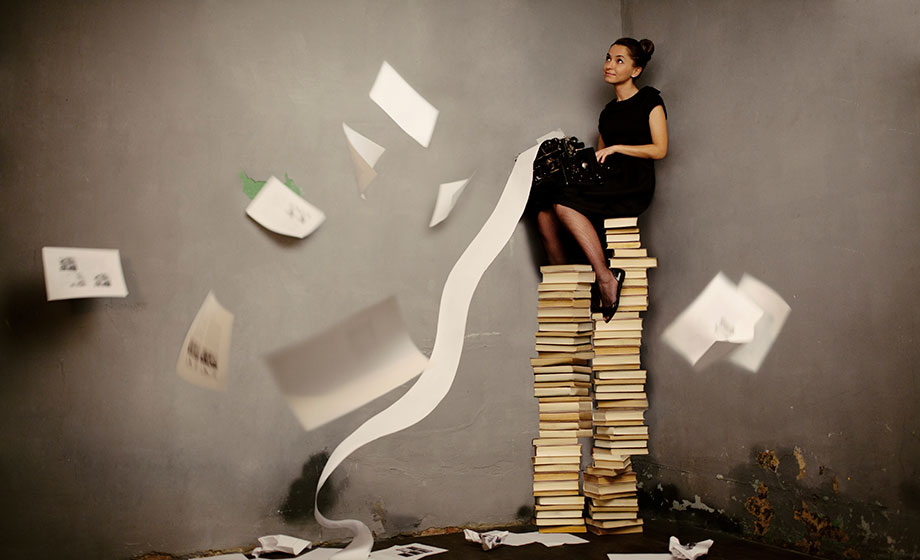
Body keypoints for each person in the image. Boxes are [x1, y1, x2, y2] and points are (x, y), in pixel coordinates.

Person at [533, 37, 668, 321]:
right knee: (544, 208)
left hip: (633, 182)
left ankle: (606, 278)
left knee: (563, 204)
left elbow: (660, 149)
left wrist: (620, 148)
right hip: (608, 178)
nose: (609, 65)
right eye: (608, 58)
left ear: (636, 70)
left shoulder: (649, 100)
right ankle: (567, 290)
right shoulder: (606, 113)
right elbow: (600, 157)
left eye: (619, 60)